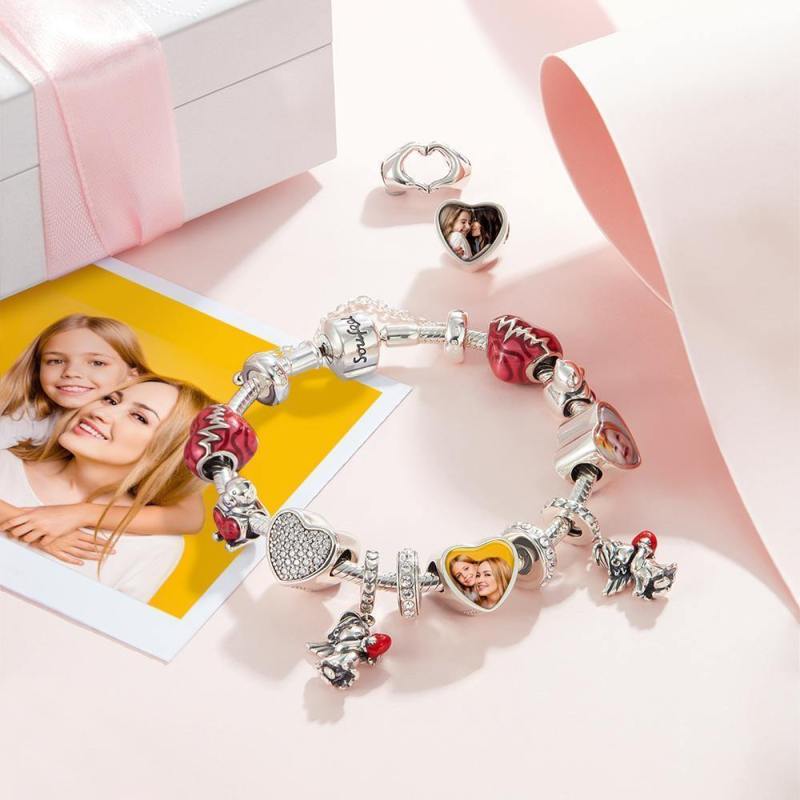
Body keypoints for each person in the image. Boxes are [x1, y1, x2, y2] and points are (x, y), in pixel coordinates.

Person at [0, 375, 214, 602]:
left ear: (166, 456)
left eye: (139, 417)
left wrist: (81, 514)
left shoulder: (156, 547)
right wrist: (34, 531)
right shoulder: (5, 462)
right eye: (111, 400)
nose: (100, 412)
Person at [0, 316, 205, 542]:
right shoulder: (22, 415)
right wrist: (33, 530)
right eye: (55, 361)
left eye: (97, 363)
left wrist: (82, 514)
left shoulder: (160, 413)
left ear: (132, 375)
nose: (71, 372)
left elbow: (189, 518)